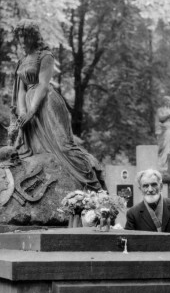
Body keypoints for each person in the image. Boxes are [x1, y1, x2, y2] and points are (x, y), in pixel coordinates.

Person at [12, 19, 104, 191]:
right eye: (20, 36)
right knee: (35, 151)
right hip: (29, 105)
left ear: (34, 36)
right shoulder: (22, 61)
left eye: (26, 36)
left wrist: (31, 111)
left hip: (46, 104)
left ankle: (92, 183)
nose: (23, 40)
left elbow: (43, 84)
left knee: (63, 147)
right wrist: (22, 113)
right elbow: (21, 91)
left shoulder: (45, 56)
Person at [155, 96, 170, 170]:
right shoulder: (160, 110)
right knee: (164, 145)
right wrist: (169, 116)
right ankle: (162, 163)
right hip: (164, 130)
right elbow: (161, 118)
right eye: (166, 100)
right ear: (163, 102)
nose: (167, 102)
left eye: (169, 101)